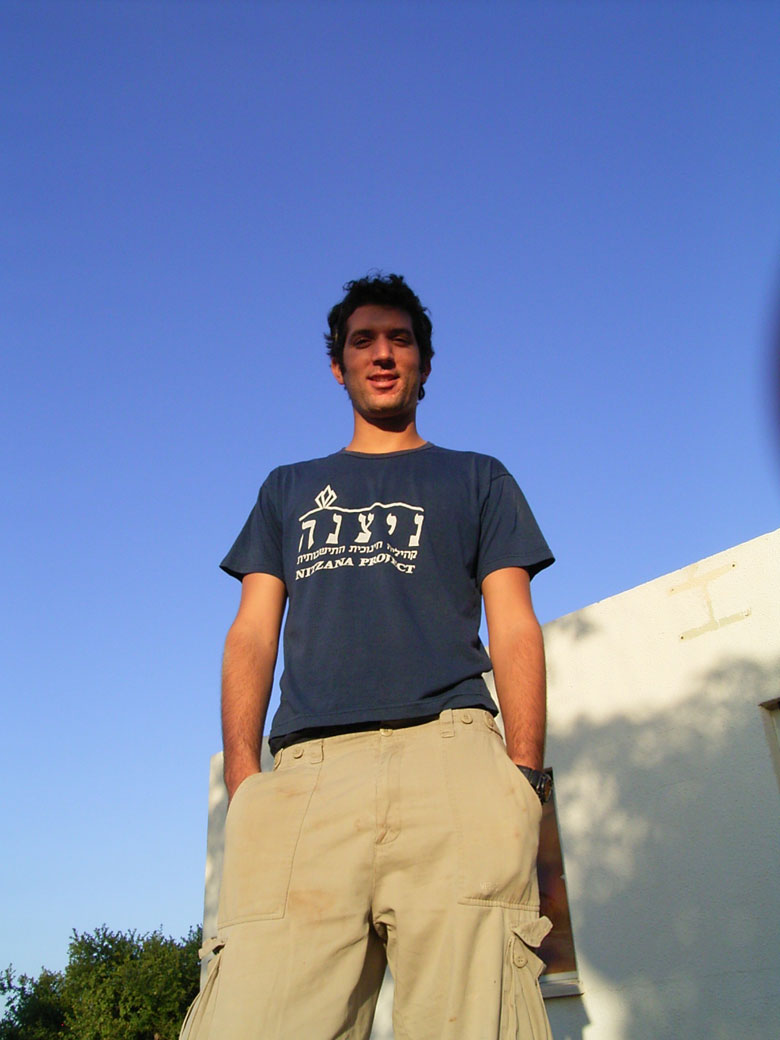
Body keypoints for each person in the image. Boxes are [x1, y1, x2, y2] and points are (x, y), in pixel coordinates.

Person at [180, 274, 555, 1040]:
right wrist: (246, 783)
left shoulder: (479, 477)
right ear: (338, 367)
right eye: (363, 341)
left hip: (450, 763)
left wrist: (523, 778)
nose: (383, 354)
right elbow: (251, 633)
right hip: (308, 780)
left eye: (400, 340)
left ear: (423, 363)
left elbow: (514, 622)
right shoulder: (287, 490)